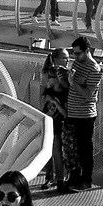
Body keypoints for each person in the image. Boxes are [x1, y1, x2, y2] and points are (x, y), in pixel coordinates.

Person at [60, 36, 102, 192]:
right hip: (73, 112)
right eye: (74, 54)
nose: (75, 57)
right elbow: (71, 84)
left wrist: (72, 82)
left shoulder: (94, 69)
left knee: (85, 149)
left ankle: (86, 180)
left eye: (78, 54)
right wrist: (65, 76)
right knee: (72, 148)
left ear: (87, 51)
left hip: (85, 115)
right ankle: (74, 177)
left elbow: (89, 94)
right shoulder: (77, 63)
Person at [37, 45, 71, 190]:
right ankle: (55, 177)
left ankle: (58, 177)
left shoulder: (68, 74)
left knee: (59, 148)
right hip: (52, 114)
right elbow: (42, 95)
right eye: (64, 58)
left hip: (61, 113)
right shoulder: (48, 74)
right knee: (53, 146)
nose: (68, 60)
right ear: (56, 59)